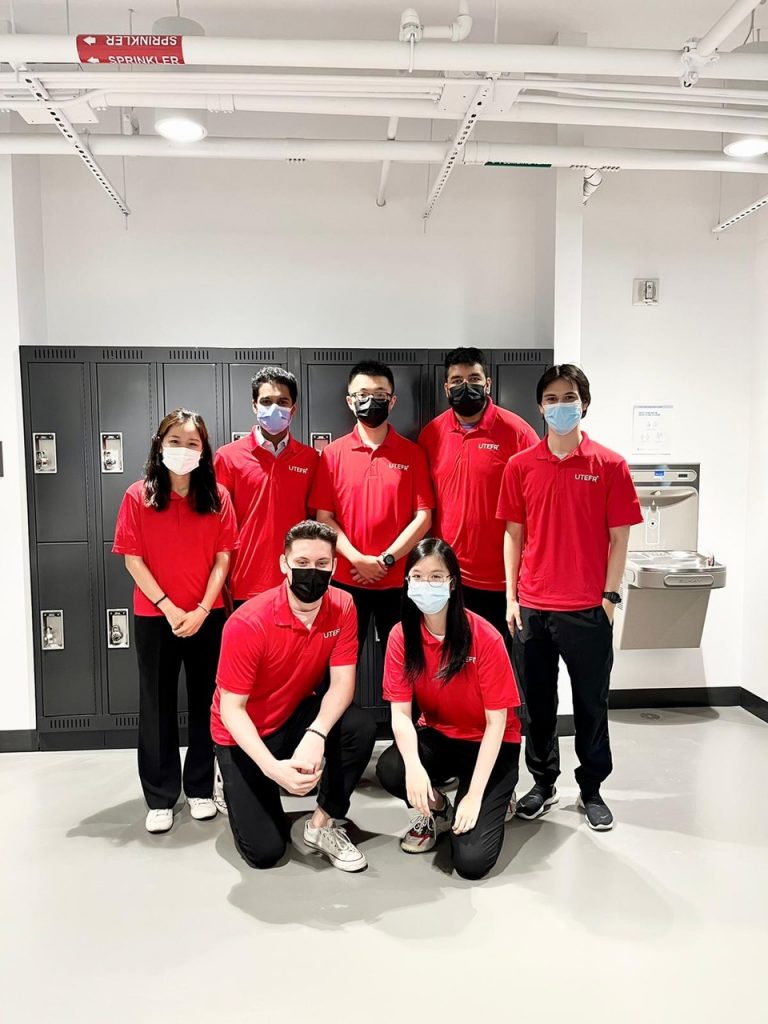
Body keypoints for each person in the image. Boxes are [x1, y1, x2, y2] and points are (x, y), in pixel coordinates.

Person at [497, 365, 642, 831]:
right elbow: (513, 536)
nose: (562, 405)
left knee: (590, 704)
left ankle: (593, 788)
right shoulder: (520, 466)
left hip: (586, 609)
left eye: (570, 397)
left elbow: (619, 540)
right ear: (539, 407)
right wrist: (511, 598)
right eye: (553, 398)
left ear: (585, 404)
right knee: (536, 706)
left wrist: (609, 598)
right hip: (534, 608)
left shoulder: (609, 465)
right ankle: (542, 783)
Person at [210, 520, 377, 872]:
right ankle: (230, 776)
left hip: (293, 715)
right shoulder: (247, 623)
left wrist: (316, 735)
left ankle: (322, 824)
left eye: (321, 564)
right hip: (242, 734)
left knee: (358, 725)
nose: (311, 573)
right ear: (284, 564)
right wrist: (272, 770)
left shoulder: (343, 605)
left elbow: (343, 684)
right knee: (266, 853)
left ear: (333, 565)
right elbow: (232, 709)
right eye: (301, 563)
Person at [113, 408, 238, 834]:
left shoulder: (218, 497)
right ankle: (161, 796)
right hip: (155, 617)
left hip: (208, 616)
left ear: (203, 451)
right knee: (157, 705)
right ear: (158, 445)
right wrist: (169, 607)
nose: (183, 450)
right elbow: (133, 559)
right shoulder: (138, 496)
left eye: (192, 443)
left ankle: (201, 787)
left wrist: (203, 608)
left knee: (208, 702)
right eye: (174, 442)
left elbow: (223, 559)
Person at [376, 538, 522, 880]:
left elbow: (498, 722)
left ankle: (496, 795)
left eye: (437, 577)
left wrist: (472, 797)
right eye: (417, 576)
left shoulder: (485, 636)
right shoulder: (402, 636)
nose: (427, 585)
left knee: (471, 863)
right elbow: (400, 714)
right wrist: (413, 766)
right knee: (393, 769)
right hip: (440, 735)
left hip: (491, 744)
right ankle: (439, 809)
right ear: (407, 582)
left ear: (452, 582)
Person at [310, 360, 434, 701]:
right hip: (346, 582)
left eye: (380, 394)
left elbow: (423, 517)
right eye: (363, 394)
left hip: (398, 582)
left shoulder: (412, 454)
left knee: (406, 664)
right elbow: (324, 517)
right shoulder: (332, 455)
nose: (371, 401)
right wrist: (359, 559)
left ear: (392, 401)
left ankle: (409, 741)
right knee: (336, 664)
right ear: (349, 400)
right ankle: (332, 741)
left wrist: (387, 559)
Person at [418, 346, 538, 636]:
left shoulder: (517, 433)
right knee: (451, 665)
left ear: (488, 384)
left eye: (473, 378)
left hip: (502, 582)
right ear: (446, 388)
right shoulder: (431, 434)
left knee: (498, 667)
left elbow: (536, 507)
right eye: (457, 380)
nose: (465, 386)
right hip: (447, 578)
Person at [213, 366, 318, 606]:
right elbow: (217, 525)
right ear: (254, 406)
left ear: (293, 409)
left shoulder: (310, 459)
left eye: (282, 402)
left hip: (296, 580)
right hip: (244, 581)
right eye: (266, 401)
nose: (274, 408)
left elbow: (316, 522)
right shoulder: (228, 457)